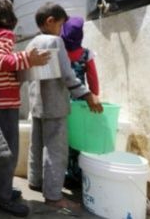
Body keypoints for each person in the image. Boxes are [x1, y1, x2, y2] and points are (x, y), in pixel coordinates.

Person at [0, 0, 50, 217]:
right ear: (8, 15)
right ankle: (1, 197)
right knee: (8, 153)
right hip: (5, 104)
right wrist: (29, 59)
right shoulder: (5, 35)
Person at [26, 2, 103, 212]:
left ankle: (36, 181)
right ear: (50, 22)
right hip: (55, 105)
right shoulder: (55, 41)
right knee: (56, 150)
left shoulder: (32, 42)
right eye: (60, 25)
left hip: (36, 103)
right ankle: (53, 196)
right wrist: (87, 95)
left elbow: (27, 74)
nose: (62, 30)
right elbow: (68, 76)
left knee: (37, 144)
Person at [60, 16, 100, 188]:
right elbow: (93, 79)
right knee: (78, 138)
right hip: (80, 101)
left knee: (62, 138)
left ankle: (61, 174)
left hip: (60, 101)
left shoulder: (59, 52)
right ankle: (76, 174)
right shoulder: (86, 54)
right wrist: (94, 97)